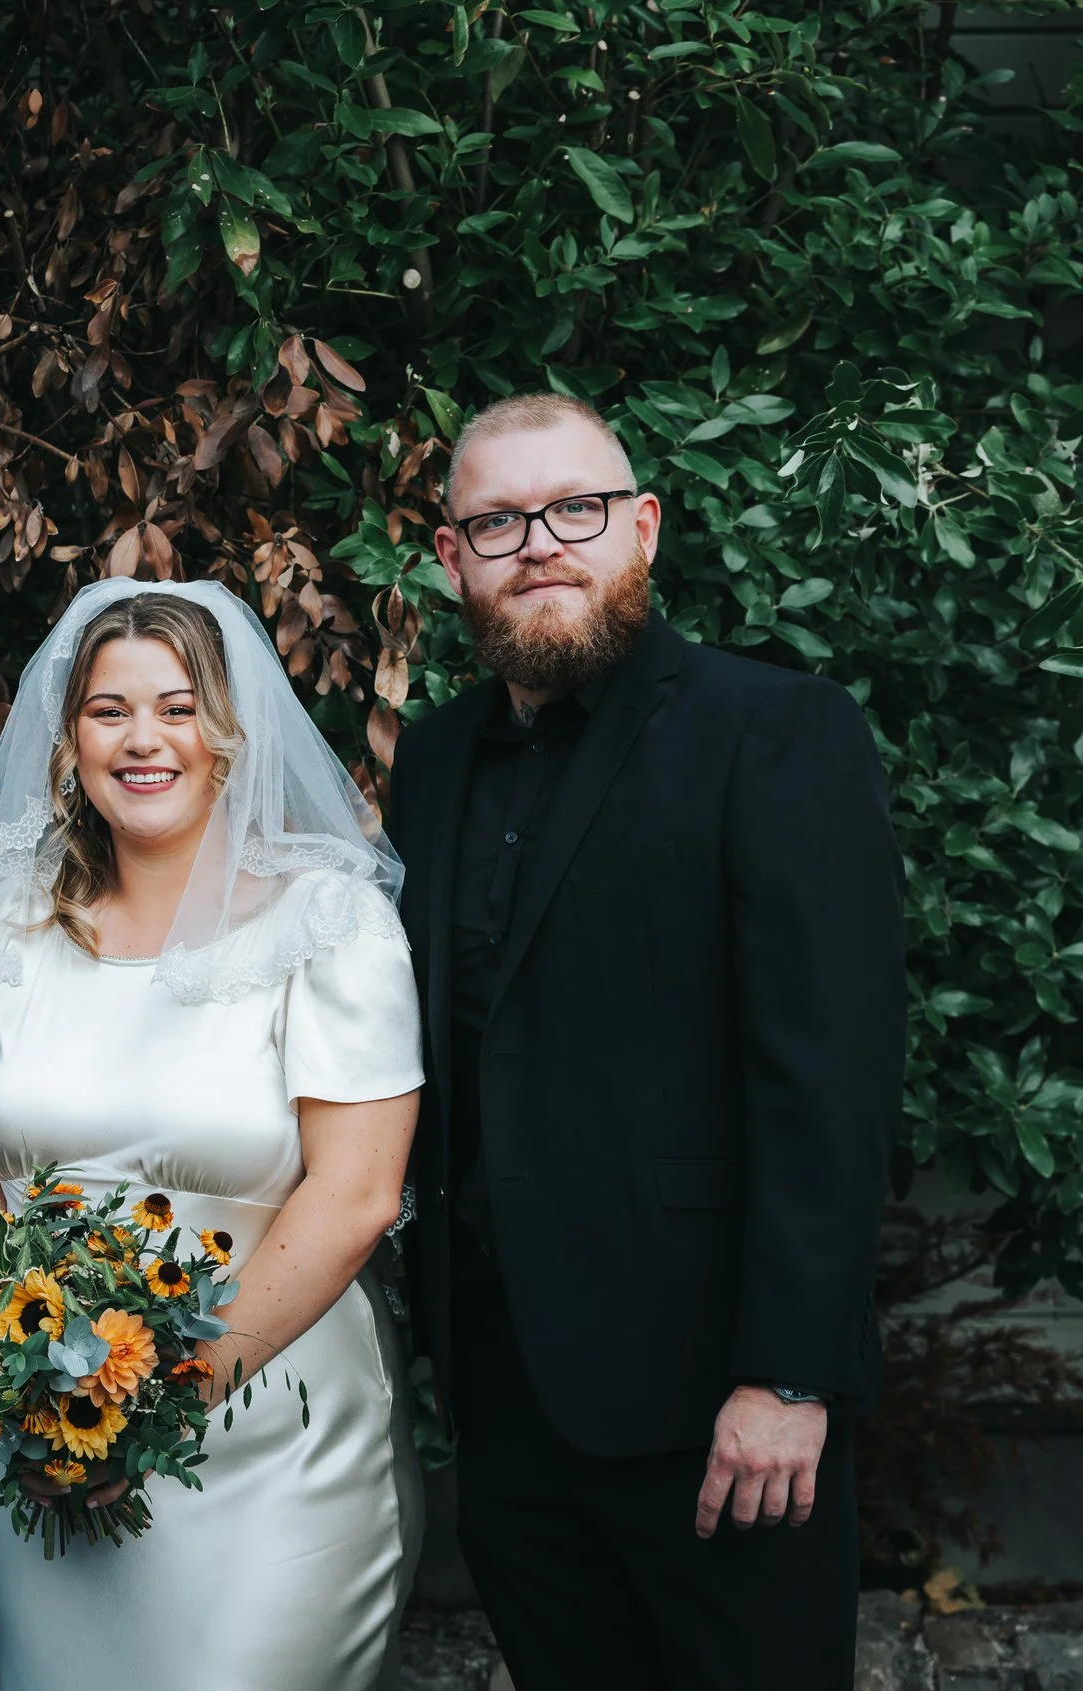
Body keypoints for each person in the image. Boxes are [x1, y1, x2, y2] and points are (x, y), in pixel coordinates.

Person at [391, 392, 904, 1687]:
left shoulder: (777, 732)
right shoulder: (434, 760)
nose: (541, 542)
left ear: (645, 528)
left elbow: (829, 1083)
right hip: (509, 1403)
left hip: (720, 1400)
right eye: (498, 520)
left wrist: (790, 1374)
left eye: (578, 508)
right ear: (451, 557)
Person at [0, 579, 424, 1688]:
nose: (143, 738)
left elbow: (354, 1196)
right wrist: (5, 1378)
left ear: (231, 733)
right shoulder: (15, 920)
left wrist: (142, 1402)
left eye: (177, 705)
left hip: (268, 1439)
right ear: (67, 739)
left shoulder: (327, 919)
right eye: (108, 710)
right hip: (40, 1447)